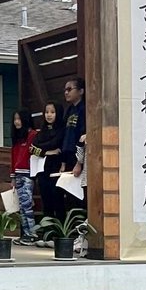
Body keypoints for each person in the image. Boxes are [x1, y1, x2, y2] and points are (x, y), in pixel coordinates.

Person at [31, 100, 65, 229]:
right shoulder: (42, 131)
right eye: (46, 112)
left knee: (58, 200)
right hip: (42, 169)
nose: (49, 115)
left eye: (52, 112)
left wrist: (43, 150)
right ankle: (47, 232)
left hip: (56, 168)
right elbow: (32, 148)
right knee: (46, 201)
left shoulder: (62, 130)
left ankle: (59, 232)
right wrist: (48, 152)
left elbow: (57, 144)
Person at [8, 109, 37, 244]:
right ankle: (25, 234)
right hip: (18, 174)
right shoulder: (17, 138)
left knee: (26, 204)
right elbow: (13, 158)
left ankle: (31, 234)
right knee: (21, 206)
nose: (16, 122)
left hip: (27, 174)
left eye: (19, 119)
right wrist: (12, 177)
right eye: (15, 119)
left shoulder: (32, 135)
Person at [59, 76, 87, 211]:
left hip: (79, 157)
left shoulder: (84, 109)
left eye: (70, 89)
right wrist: (63, 161)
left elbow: (82, 137)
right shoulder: (69, 110)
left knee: (78, 194)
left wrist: (79, 162)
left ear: (81, 91)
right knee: (68, 194)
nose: (66, 92)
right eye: (65, 90)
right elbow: (65, 135)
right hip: (68, 155)